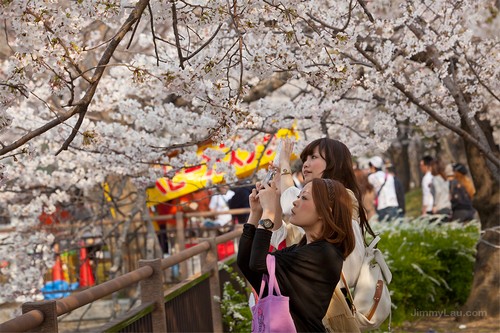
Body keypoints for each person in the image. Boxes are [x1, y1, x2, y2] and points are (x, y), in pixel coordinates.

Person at [237, 178, 355, 332]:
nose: (295, 202)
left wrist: (269, 212)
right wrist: (256, 212)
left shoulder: (324, 254)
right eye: (298, 196)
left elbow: (258, 263)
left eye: (304, 198)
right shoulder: (300, 249)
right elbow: (246, 264)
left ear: (325, 211)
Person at [271, 138, 375, 300]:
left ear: (335, 162)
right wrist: (276, 194)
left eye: (314, 157)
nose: (305, 164)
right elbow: (279, 237)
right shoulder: (310, 207)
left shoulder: (342, 195)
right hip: (309, 291)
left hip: (327, 297)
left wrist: (285, 164)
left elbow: (288, 203)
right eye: (305, 158)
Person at [367, 156, 401, 221]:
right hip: (393, 205)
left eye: (370, 167)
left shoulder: (371, 178)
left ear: (373, 167)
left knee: (384, 229)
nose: (369, 169)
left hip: (381, 206)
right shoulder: (389, 176)